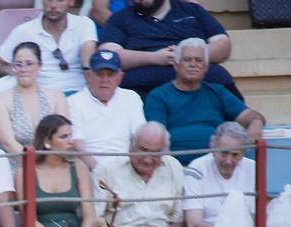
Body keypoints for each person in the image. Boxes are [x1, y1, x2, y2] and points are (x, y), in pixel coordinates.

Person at [145, 39, 262, 164]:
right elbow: (156, 139)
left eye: (198, 60)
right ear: (176, 65)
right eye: (187, 59)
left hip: (218, 166)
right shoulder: (158, 96)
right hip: (178, 166)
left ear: (206, 67)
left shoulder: (218, 91)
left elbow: (248, 115)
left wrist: (256, 123)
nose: (193, 64)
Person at [98, 0, 239, 98]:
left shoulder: (192, 11)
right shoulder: (121, 19)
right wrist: (154, 58)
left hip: (204, 84)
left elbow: (223, 45)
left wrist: (187, 56)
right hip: (143, 88)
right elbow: (108, 55)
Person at [96, 120, 185, 227]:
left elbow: (179, 221)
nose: (147, 160)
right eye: (143, 150)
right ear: (131, 146)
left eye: (155, 153)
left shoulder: (174, 167)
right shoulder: (108, 168)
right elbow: (96, 220)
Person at [31, 114, 110, 227]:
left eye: (70, 135)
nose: (71, 142)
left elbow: (89, 213)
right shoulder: (26, 171)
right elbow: (28, 218)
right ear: (47, 142)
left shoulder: (79, 168)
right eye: (63, 137)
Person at [0, 42, 70, 170]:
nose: (23, 69)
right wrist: (34, 166)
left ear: (39, 66)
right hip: (17, 167)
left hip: (52, 167)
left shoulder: (57, 97)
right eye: (18, 64)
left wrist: (45, 167)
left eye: (29, 64)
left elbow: (62, 137)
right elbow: (8, 143)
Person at [0, 0, 97, 95]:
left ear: (71, 1)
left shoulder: (84, 24)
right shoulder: (24, 30)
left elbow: (88, 59)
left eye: (60, 0)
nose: (53, 5)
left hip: (79, 93)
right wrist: (16, 72)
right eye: (49, 0)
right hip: (40, 95)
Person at [66, 49, 144, 167]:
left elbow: (139, 139)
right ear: (88, 75)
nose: (105, 80)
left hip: (127, 167)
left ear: (120, 77)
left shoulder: (131, 97)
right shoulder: (73, 102)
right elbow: (77, 146)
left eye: (110, 75)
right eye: (99, 74)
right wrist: (101, 172)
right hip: (89, 168)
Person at [182, 121, 254, 227]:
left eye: (235, 155)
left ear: (243, 154)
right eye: (223, 153)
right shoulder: (197, 168)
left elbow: (256, 220)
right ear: (213, 148)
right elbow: (194, 226)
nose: (228, 161)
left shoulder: (252, 169)